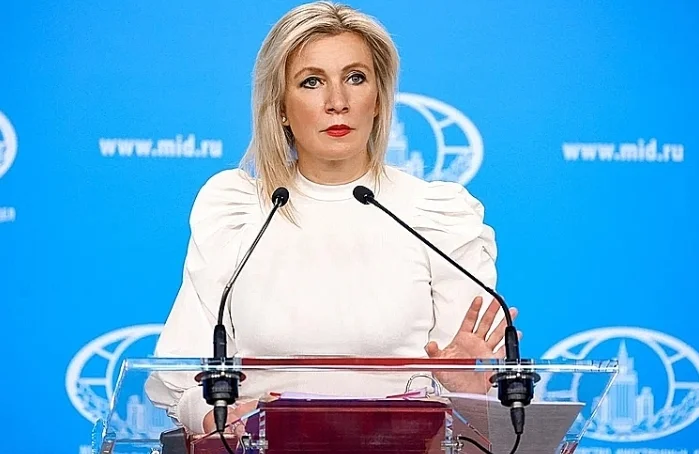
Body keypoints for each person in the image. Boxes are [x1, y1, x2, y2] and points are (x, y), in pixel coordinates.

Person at [145, 0, 518, 436]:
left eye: (355, 78)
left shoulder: (437, 216)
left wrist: (469, 391)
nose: (337, 102)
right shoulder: (238, 211)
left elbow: (469, 402)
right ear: (280, 107)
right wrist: (215, 415)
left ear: (378, 99)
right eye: (312, 82)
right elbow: (183, 378)